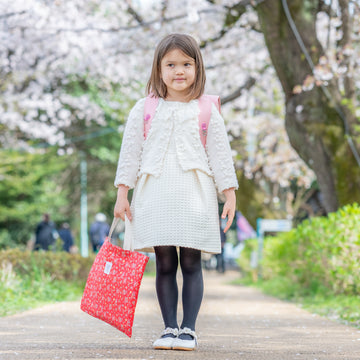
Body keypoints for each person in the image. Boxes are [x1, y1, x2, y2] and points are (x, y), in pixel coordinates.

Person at [113, 33, 238, 351]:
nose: (178, 71)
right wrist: (122, 194)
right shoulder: (144, 108)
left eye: (186, 63)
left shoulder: (207, 110)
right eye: (170, 64)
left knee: (192, 263)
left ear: (198, 68)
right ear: (158, 68)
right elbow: (130, 153)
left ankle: (190, 330)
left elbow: (220, 154)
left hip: (194, 195)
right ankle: (169, 328)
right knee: (165, 264)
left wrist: (229, 193)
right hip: (154, 193)